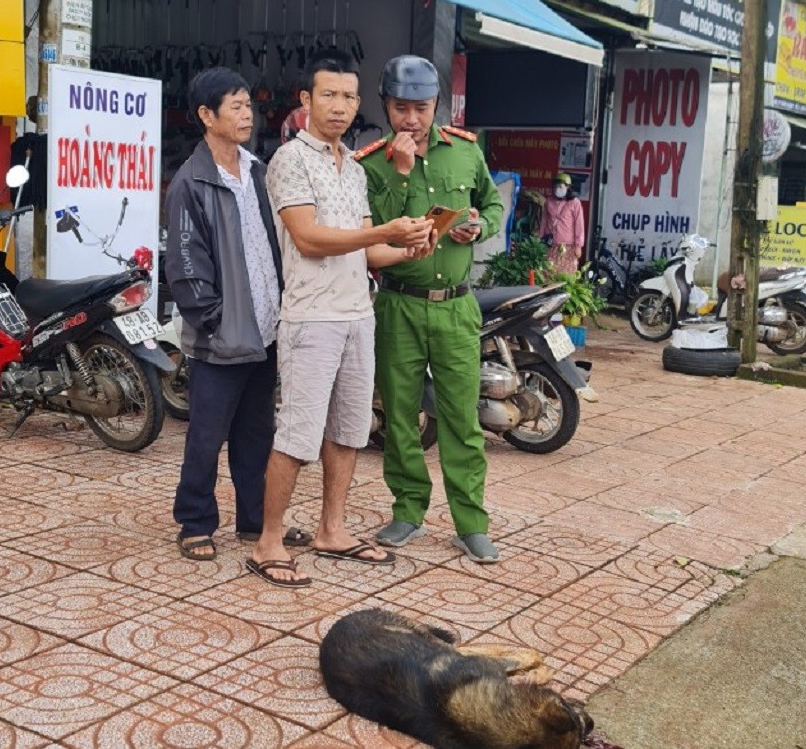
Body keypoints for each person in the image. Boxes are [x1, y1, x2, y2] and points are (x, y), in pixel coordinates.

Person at [248, 49, 435, 587]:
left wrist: (413, 245)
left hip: (358, 313)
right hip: (311, 317)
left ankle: (333, 529)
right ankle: (268, 542)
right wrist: (385, 232)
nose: (340, 106)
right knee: (298, 435)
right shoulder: (289, 160)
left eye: (349, 97)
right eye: (328, 94)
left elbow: (367, 254)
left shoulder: (353, 167)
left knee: (350, 431)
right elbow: (309, 238)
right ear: (305, 100)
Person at [358, 55, 504, 564]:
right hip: (398, 303)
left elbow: (492, 203)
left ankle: (471, 522)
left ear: (436, 104)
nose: (412, 121)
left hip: (456, 308)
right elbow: (373, 230)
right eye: (401, 109)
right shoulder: (372, 164)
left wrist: (480, 227)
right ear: (386, 107)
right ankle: (408, 510)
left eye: (421, 108)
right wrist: (400, 176)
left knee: (462, 417)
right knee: (400, 415)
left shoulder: (465, 152)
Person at [165, 67, 291, 561]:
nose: (246, 114)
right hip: (221, 335)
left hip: (266, 330)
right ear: (206, 115)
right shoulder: (190, 183)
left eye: (247, 105)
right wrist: (215, 319)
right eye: (235, 106)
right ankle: (195, 520)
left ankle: (253, 520)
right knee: (206, 435)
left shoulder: (259, 171)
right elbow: (185, 262)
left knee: (256, 432)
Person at [539, 172, 585, 275]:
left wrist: (578, 246)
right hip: (551, 245)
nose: (557, 189)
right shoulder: (548, 201)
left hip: (568, 246)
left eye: (560, 186)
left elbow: (579, 225)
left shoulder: (575, 203)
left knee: (566, 275)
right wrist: (540, 239)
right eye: (555, 186)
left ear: (568, 187)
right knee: (548, 274)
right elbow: (544, 222)